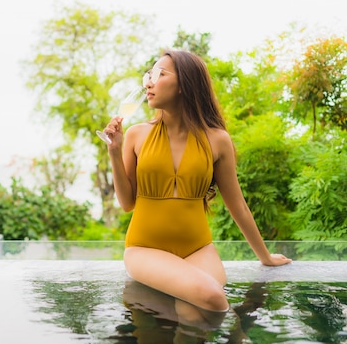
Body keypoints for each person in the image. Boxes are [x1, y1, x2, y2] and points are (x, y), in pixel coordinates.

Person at [101, 49, 292, 314]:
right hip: (144, 249)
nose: (148, 82)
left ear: (185, 84)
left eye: (159, 74)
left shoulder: (217, 140)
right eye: (149, 75)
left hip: (198, 249)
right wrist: (114, 151)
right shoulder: (136, 135)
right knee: (213, 297)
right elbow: (126, 203)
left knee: (196, 311)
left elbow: (238, 206)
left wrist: (265, 257)